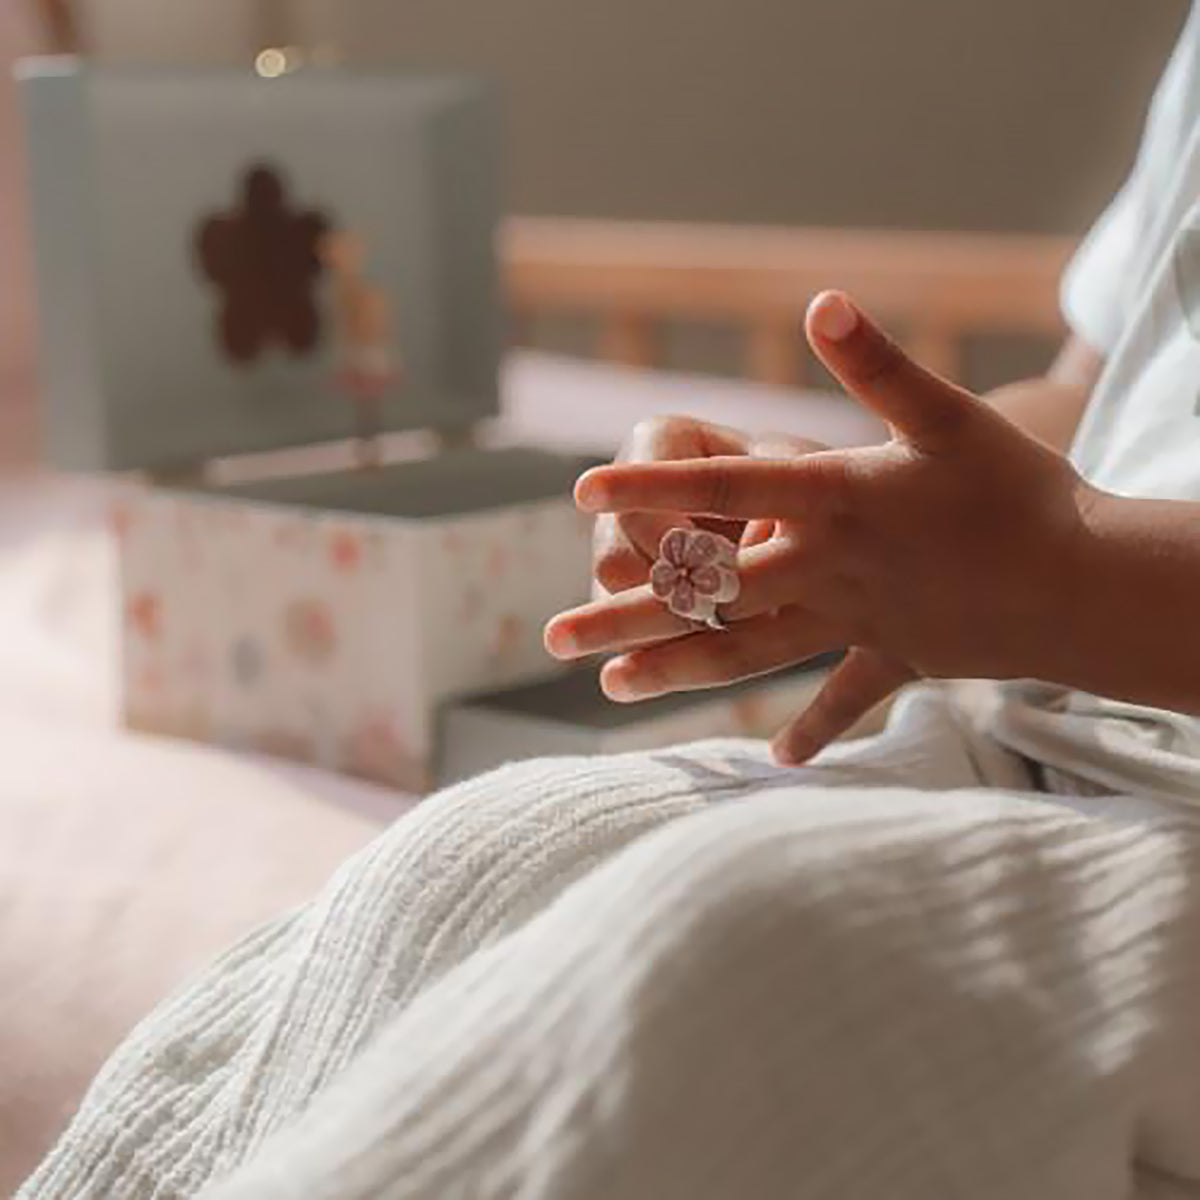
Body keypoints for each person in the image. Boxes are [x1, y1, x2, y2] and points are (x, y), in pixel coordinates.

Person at [20, 8, 1200, 1200]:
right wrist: (863, 505)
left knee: (733, 940)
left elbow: (1075, 547)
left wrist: (1059, 580)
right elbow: (1090, 409)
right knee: (474, 858)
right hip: (1052, 721)